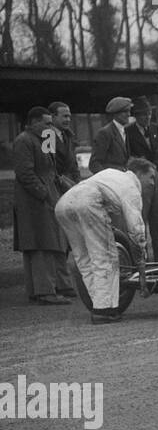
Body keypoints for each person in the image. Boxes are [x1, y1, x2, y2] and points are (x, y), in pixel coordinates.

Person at [55, 158, 153, 324]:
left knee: (84, 259)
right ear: (139, 174)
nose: (152, 183)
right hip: (87, 202)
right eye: (150, 177)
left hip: (64, 204)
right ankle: (104, 310)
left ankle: (99, 305)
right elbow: (136, 229)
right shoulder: (131, 187)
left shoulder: (110, 174)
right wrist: (141, 261)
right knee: (106, 257)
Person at [13, 106, 76, 305]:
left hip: (49, 195)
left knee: (55, 241)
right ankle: (45, 292)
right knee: (41, 244)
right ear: (33, 123)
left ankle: (60, 285)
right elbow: (25, 173)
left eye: (50, 122)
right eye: (46, 123)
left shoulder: (44, 139)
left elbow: (52, 168)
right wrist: (43, 194)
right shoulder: (24, 140)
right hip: (34, 201)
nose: (50, 126)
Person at [125, 97, 158, 261]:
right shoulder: (128, 132)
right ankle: (143, 263)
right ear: (136, 116)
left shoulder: (156, 129)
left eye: (149, 114)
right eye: (143, 115)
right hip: (140, 181)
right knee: (141, 223)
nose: (147, 117)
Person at [89, 96, 132, 173]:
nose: (129, 114)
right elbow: (94, 164)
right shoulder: (105, 133)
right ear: (116, 114)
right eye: (125, 111)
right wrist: (108, 179)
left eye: (129, 111)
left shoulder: (125, 131)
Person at [49, 101, 79, 191]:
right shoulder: (47, 136)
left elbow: (74, 164)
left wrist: (77, 181)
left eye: (69, 116)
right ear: (53, 117)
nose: (68, 120)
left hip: (71, 187)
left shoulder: (68, 136)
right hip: (55, 189)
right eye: (65, 116)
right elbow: (48, 167)